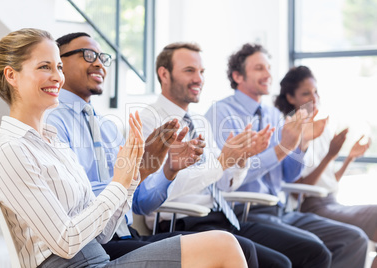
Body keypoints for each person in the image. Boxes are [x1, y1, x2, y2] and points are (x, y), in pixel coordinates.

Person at [0, 28, 247, 268]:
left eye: (57, 67)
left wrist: (134, 175)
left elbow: (102, 233)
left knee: (225, 244)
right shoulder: (11, 150)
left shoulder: (52, 141)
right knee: (223, 246)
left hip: (101, 253)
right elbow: (65, 242)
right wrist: (120, 184)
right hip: (79, 263)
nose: (57, 76)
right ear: (11, 75)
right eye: (45, 67)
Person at [139, 42, 335, 268]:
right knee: (279, 263)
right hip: (184, 220)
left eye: (202, 72)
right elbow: (153, 189)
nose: (199, 79)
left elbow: (223, 184)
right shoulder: (149, 121)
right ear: (164, 74)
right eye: (189, 71)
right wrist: (222, 162)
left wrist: (240, 159)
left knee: (312, 252)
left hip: (221, 214)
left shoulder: (200, 122)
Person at [205, 43, 370, 268]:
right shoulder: (220, 114)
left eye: (269, 68)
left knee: (354, 239)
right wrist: (281, 148)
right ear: (238, 76)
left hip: (280, 210)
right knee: (314, 248)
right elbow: (228, 175)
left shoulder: (275, 115)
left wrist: (300, 144)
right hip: (245, 213)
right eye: (259, 68)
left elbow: (289, 176)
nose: (268, 74)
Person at [44, 32, 207, 260]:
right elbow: (76, 203)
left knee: (238, 247)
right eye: (89, 55)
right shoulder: (50, 122)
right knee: (216, 250)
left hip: (128, 237)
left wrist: (168, 169)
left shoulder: (109, 129)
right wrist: (134, 172)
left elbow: (140, 204)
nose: (99, 63)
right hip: (92, 246)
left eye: (103, 57)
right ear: (59, 64)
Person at [274, 65, 377, 241]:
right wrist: (330, 155)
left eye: (315, 92)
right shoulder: (288, 132)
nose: (314, 98)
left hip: (332, 202)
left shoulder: (322, 130)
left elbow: (330, 181)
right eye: (306, 94)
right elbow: (299, 192)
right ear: (291, 98)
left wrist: (349, 158)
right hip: (311, 207)